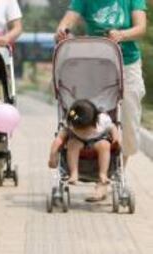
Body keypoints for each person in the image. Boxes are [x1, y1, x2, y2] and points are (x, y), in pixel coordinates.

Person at [55, 0, 147, 166]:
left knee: (129, 116)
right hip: (98, 63)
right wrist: (62, 31)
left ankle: (119, 172)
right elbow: (68, 20)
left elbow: (141, 28)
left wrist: (122, 34)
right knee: (94, 112)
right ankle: (100, 170)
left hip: (127, 63)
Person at [48, 99, 120, 202]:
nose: (85, 133)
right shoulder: (72, 121)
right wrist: (52, 156)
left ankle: (103, 174)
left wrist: (116, 138)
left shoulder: (102, 120)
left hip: (98, 140)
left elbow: (113, 127)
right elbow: (59, 138)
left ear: (95, 122)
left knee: (105, 145)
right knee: (72, 144)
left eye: (87, 130)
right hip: (78, 142)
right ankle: (74, 173)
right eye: (80, 130)